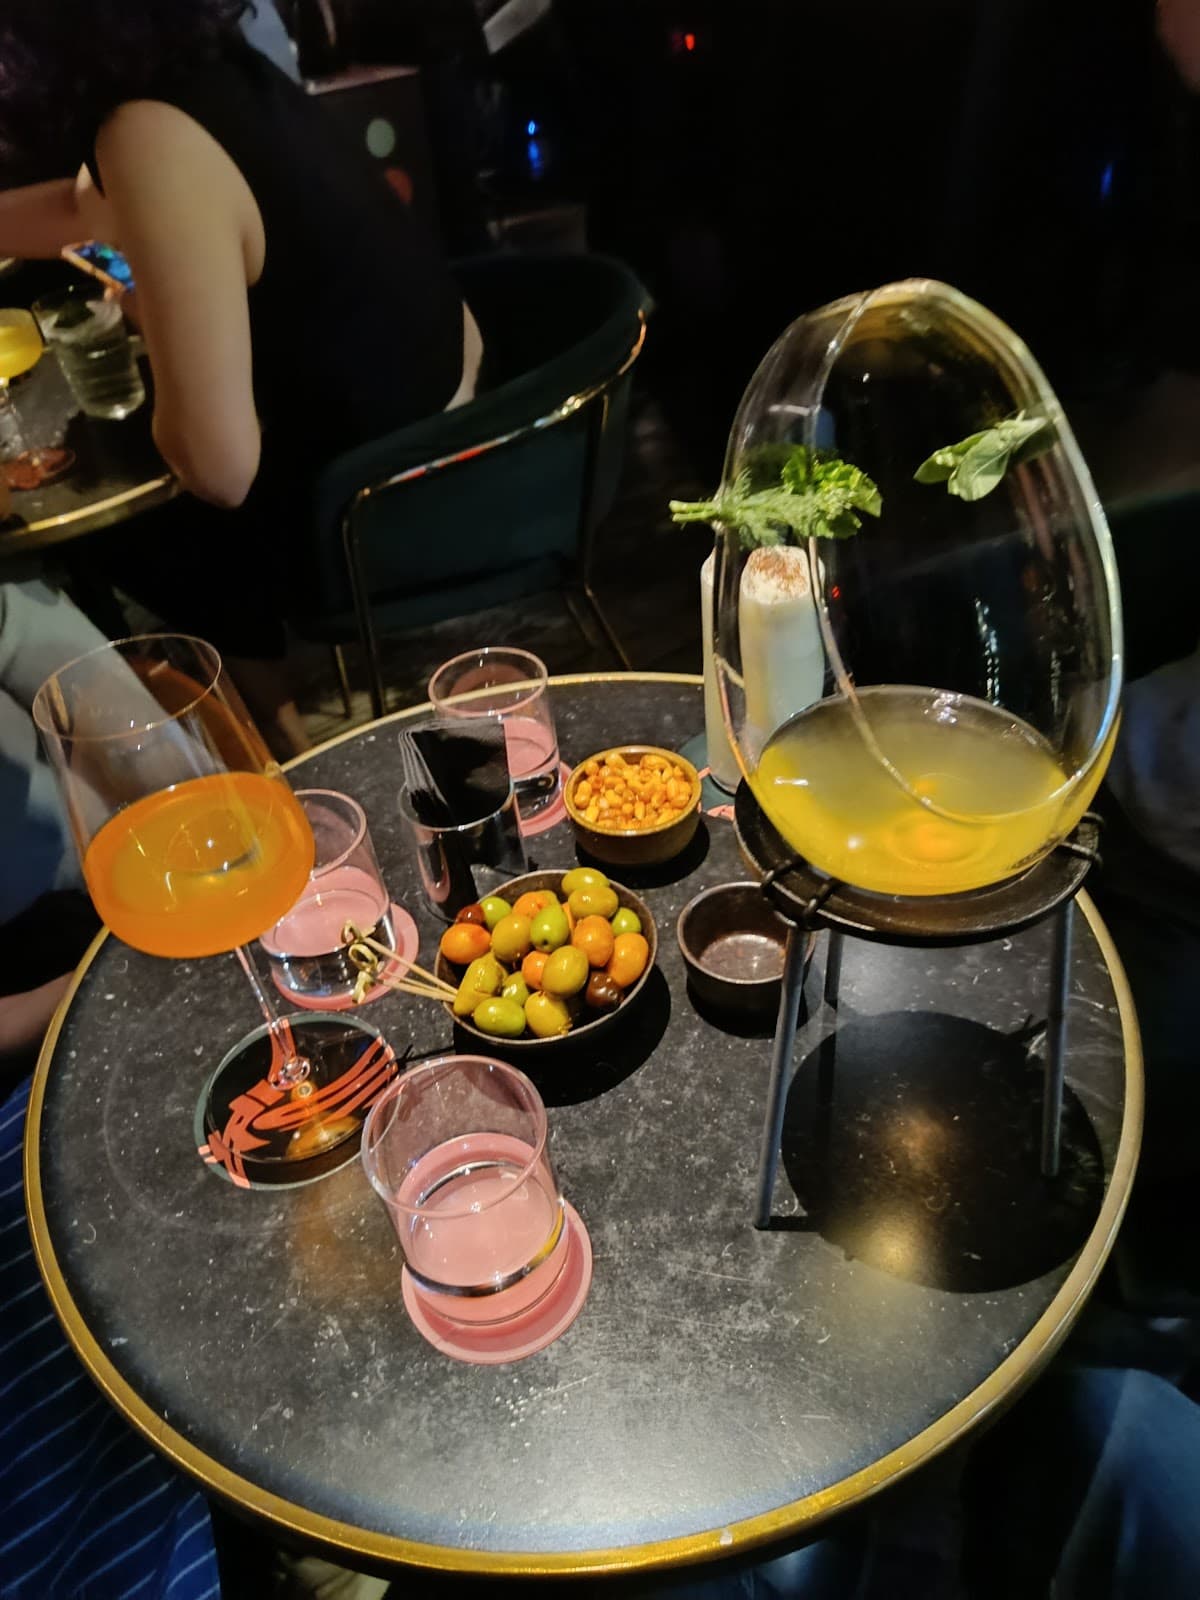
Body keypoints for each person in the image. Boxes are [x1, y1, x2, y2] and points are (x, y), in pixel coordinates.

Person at [0, 0, 483, 756]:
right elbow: (84, 207)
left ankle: (277, 757)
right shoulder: (212, 69)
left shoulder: (145, 134)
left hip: (388, 506)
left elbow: (219, 469)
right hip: (460, 409)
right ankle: (266, 734)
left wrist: (150, 319)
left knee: (127, 528)